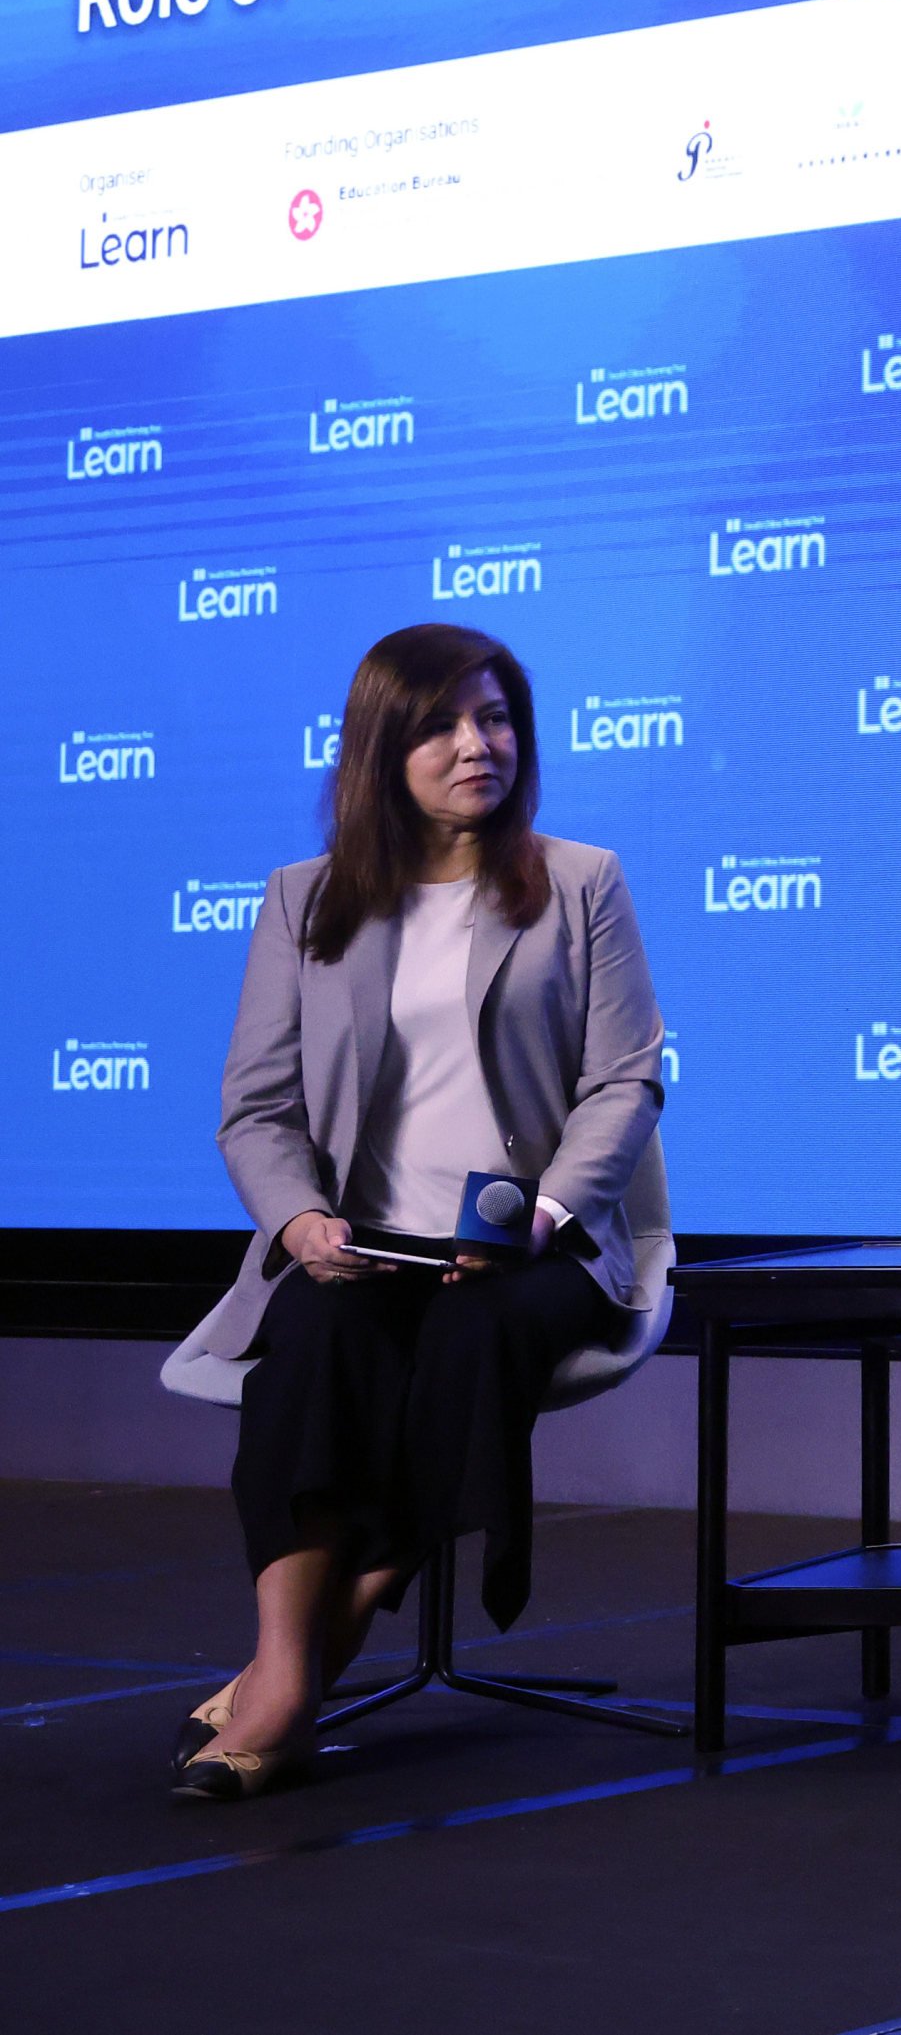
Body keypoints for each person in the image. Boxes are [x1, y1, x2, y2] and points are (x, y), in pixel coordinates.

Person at [183, 623, 667, 1799]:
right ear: (380, 747)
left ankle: (284, 1683)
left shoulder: (579, 882)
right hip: (360, 1241)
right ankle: (291, 1664)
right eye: (445, 723)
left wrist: (543, 1215)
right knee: (311, 1340)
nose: (476, 744)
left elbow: (626, 1081)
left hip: (532, 1245)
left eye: (495, 717)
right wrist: (302, 1224)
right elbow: (257, 1109)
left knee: (474, 1336)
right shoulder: (306, 901)